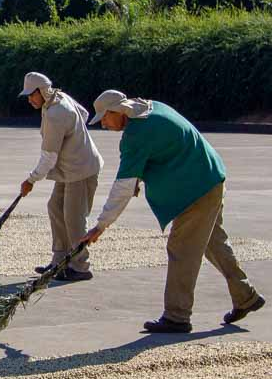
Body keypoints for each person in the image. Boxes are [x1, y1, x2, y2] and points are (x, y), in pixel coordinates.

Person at [80, 89, 265, 333]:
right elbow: (165, 149)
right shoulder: (151, 107)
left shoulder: (136, 135)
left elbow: (122, 188)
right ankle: (246, 297)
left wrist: (100, 226)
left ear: (118, 112)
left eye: (104, 118)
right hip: (210, 177)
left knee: (181, 249)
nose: (103, 124)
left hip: (196, 189)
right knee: (213, 242)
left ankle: (177, 317)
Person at [17, 72, 104, 281]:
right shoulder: (58, 99)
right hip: (68, 168)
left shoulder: (57, 113)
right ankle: (59, 261)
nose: (29, 99)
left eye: (31, 95)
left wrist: (31, 180)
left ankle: (80, 267)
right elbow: (82, 114)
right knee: (55, 207)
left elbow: (48, 157)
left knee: (74, 218)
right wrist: (74, 137)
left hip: (81, 170)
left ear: (42, 91)